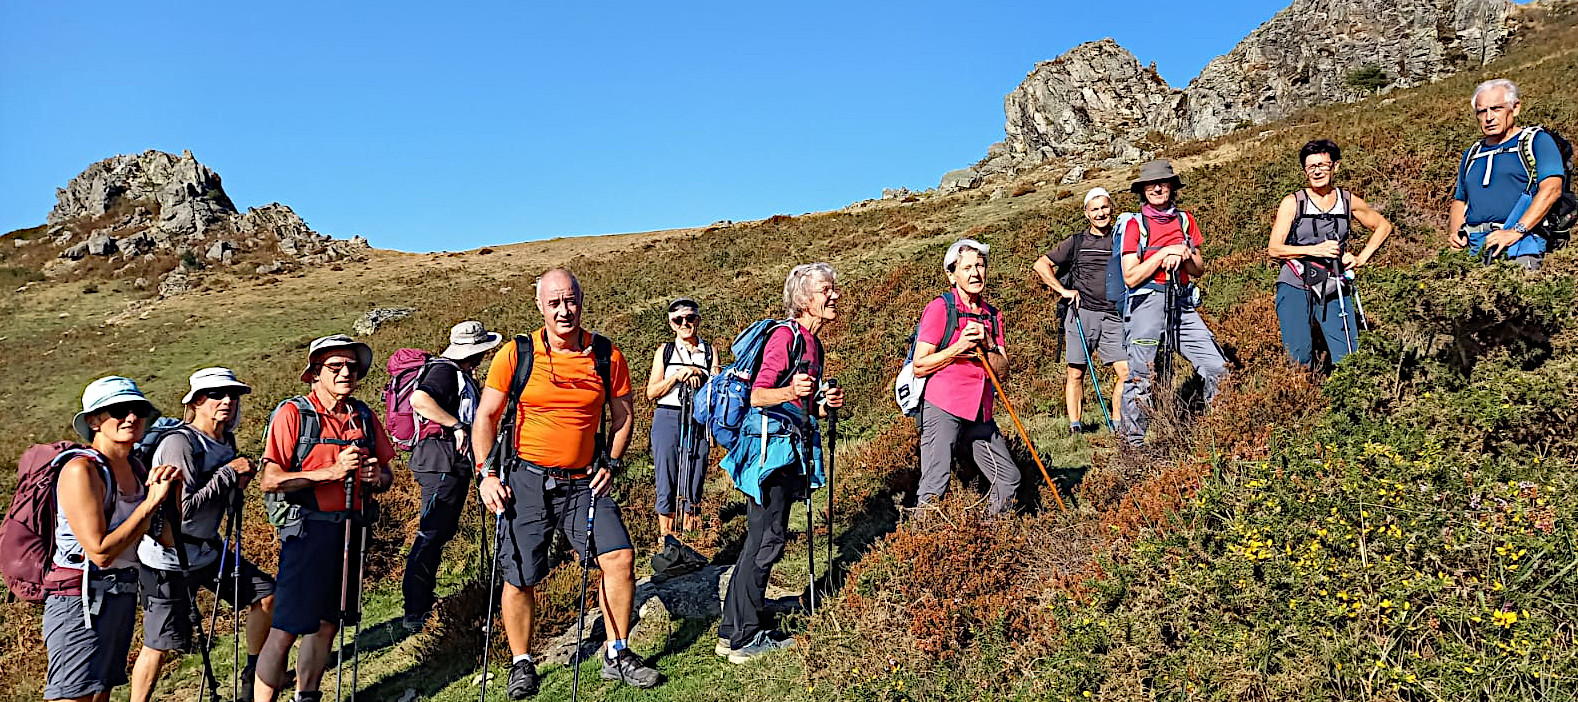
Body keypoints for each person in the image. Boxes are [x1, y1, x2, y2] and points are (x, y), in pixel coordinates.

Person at [472, 268, 660, 698]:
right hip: (525, 481)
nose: (563, 310)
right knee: (519, 576)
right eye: (554, 302)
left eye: (570, 300)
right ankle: (522, 663)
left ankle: (617, 652)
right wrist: (486, 474)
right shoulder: (516, 354)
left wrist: (612, 462)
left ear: (581, 301)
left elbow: (624, 415)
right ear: (540, 305)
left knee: (620, 558)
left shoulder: (606, 355)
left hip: (584, 483)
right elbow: (486, 416)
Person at [253, 335, 395, 702]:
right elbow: (271, 480)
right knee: (286, 626)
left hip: (351, 530)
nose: (346, 373)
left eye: (352, 367)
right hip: (306, 532)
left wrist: (375, 477)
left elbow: (387, 476)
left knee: (328, 622)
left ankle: (307, 696)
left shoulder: (363, 416)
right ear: (315, 373)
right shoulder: (293, 414)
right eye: (336, 367)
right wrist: (330, 473)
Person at [716, 263, 846, 663]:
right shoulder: (785, 337)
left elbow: (801, 404)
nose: (834, 296)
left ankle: (733, 630)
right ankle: (745, 637)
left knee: (762, 540)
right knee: (766, 540)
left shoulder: (813, 344)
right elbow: (758, 395)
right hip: (769, 454)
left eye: (833, 289)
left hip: (788, 450)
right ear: (804, 299)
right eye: (826, 290)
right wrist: (791, 390)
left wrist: (822, 405)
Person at [130, 368, 277, 702]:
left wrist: (236, 483)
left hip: (207, 550)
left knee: (266, 594)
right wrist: (228, 474)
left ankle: (253, 676)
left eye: (233, 395)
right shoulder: (179, 444)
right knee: (159, 644)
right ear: (196, 401)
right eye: (216, 395)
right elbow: (185, 511)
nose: (227, 401)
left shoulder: (226, 440)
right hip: (167, 558)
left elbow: (220, 493)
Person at [45, 376, 182, 702]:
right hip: (79, 599)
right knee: (73, 695)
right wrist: (150, 503)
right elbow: (100, 552)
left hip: (121, 593)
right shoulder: (80, 470)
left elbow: (166, 539)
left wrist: (172, 495)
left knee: (99, 694)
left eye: (138, 410)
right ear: (94, 421)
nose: (131, 417)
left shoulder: (136, 468)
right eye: (119, 410)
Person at [400, 321, 504, 633]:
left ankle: (420, 603)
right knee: (431, 532)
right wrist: (456, 425)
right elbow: (419, 400)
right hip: (441, 462)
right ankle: (415, 609)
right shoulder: (444, 372)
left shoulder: (454, 371)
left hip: (445, 462)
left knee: (438, 531)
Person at [1118, 159, 1230, 447]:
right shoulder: (1134, 224)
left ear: (1172, 187)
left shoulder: (1185, 220)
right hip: (1147, 303)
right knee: (1141, 377)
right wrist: (1161, 254)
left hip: (1181, 302)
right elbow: (1130, 277)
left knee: (1217, 367)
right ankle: (1133, 446)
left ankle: (1219, 432)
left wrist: (1184, 253)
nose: (1157, 188)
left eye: (1163, 183)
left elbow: (1198, 269)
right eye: (1151, 184)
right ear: (1143, 190)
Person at [910, 241, 1021, 514]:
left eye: (980, 266)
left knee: (1008, 479)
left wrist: (988, 344)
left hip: (980, 410)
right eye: (967, 267)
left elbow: (1002, 370)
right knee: (935, 483)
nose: (975, 273)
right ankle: (920, 536)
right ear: (952, 275)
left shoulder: (992, 316)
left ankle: (990, 532)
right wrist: (959, 347)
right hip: (943, 405)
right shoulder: (940, 308)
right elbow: (919, 365)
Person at [1267, 140, 1393, 368]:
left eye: (1322, 165)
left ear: (1335, 166)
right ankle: (1304, 389)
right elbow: (1274, 248)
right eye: (1311, 167)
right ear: (1304, 171)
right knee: (1298, 356)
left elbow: (1383, 226)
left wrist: (1361, 258)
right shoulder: (1293, 202)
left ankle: (1347, 389)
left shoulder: (1347, 201)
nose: (1317, 171)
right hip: (1295, 281)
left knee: (1349, 353)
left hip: (1332, 282)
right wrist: (1313, 250)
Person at [1034, 187, 1130, 433]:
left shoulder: (1121, 239)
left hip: (1114, 315)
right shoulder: (1076, 242)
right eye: (1094, 209)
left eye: (1104, 207)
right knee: (1076, 372)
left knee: (1125, 372)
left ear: (1111, 208)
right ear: (1086, 213)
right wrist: (1063, 291)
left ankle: (1118, 423)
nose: (1100, 213)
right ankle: (1075, 427)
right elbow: (1041, 265)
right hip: (1081, 313)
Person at [1448, 78, 1567, 270]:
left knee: (1516, 289)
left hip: (1520, 247)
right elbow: (1460, 200)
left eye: (1496, 109)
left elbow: (1552, 189)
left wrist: (1515, 231)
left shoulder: (1537, 141)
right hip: (1474, 250)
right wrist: (1456, 234)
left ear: (1515, 108)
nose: (1488, 117)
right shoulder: (1472, 153)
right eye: (1482, 111)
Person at [644, 297, 718, 545]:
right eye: (678, 320)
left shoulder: (709, 352)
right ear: (671, 324)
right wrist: (677, 376)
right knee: (666, 472)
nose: (685, 324)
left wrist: (699, 375)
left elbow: (717, 389)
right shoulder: (664, 352)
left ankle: (692, 535)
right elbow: (651, 392)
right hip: (668, 416)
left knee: (696, 470)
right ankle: (666, 536)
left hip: (699, 418)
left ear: (698, 320)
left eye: (690, 318)